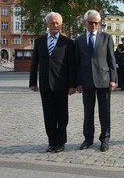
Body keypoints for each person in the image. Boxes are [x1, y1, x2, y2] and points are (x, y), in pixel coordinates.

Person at [29, 12, 76, 153]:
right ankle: (51, 142)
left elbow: (71, 65)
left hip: (62, 85)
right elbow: (34, 63)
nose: (55, 25)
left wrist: (72, 85)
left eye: (57, 23)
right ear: (47, 24)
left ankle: (61, 142)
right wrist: (33, 82)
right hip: (45, 85)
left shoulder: (67, 42)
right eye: (52, 23)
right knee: (48, 115)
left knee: (62, 115)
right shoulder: (39, 41)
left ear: (61, 25)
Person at [75, 10, 117, 152]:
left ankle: (105, 139)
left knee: (104, 112)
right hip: (86, 81)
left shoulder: (106, 38)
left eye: (96, 23)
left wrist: (113, 79)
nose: (94, 25)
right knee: (88, 112)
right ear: (85, 23)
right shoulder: (79, 40)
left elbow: (111, 60)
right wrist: (78, 82)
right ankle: (88, 138)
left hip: (104, 80)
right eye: (91, 22)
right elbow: (77, 62)